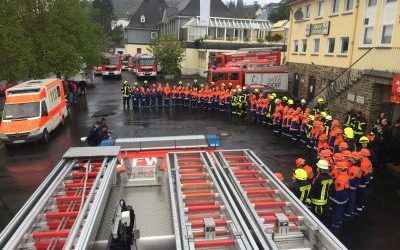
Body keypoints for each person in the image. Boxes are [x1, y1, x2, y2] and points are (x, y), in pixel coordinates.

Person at [329, 161, 349, 234]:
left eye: (337, 168)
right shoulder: (346, 174)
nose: (336, 169)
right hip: (344, 195)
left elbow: (338, 191)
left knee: (337, 212)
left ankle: (335, 227)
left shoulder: (340, 178)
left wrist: (332, 199)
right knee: (340, 211)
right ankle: (339, 223)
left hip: (339, 197)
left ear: (340, 169)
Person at [344, 151, 362, 221]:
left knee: (350, 201)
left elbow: (349, 179)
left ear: (355, 159)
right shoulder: (357, 166)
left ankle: (348, 215)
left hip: (351, 187)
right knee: (352, 200)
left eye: (351, 157)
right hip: (354, 186)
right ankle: (350, 213)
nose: (350, 158)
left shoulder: (353, 168)